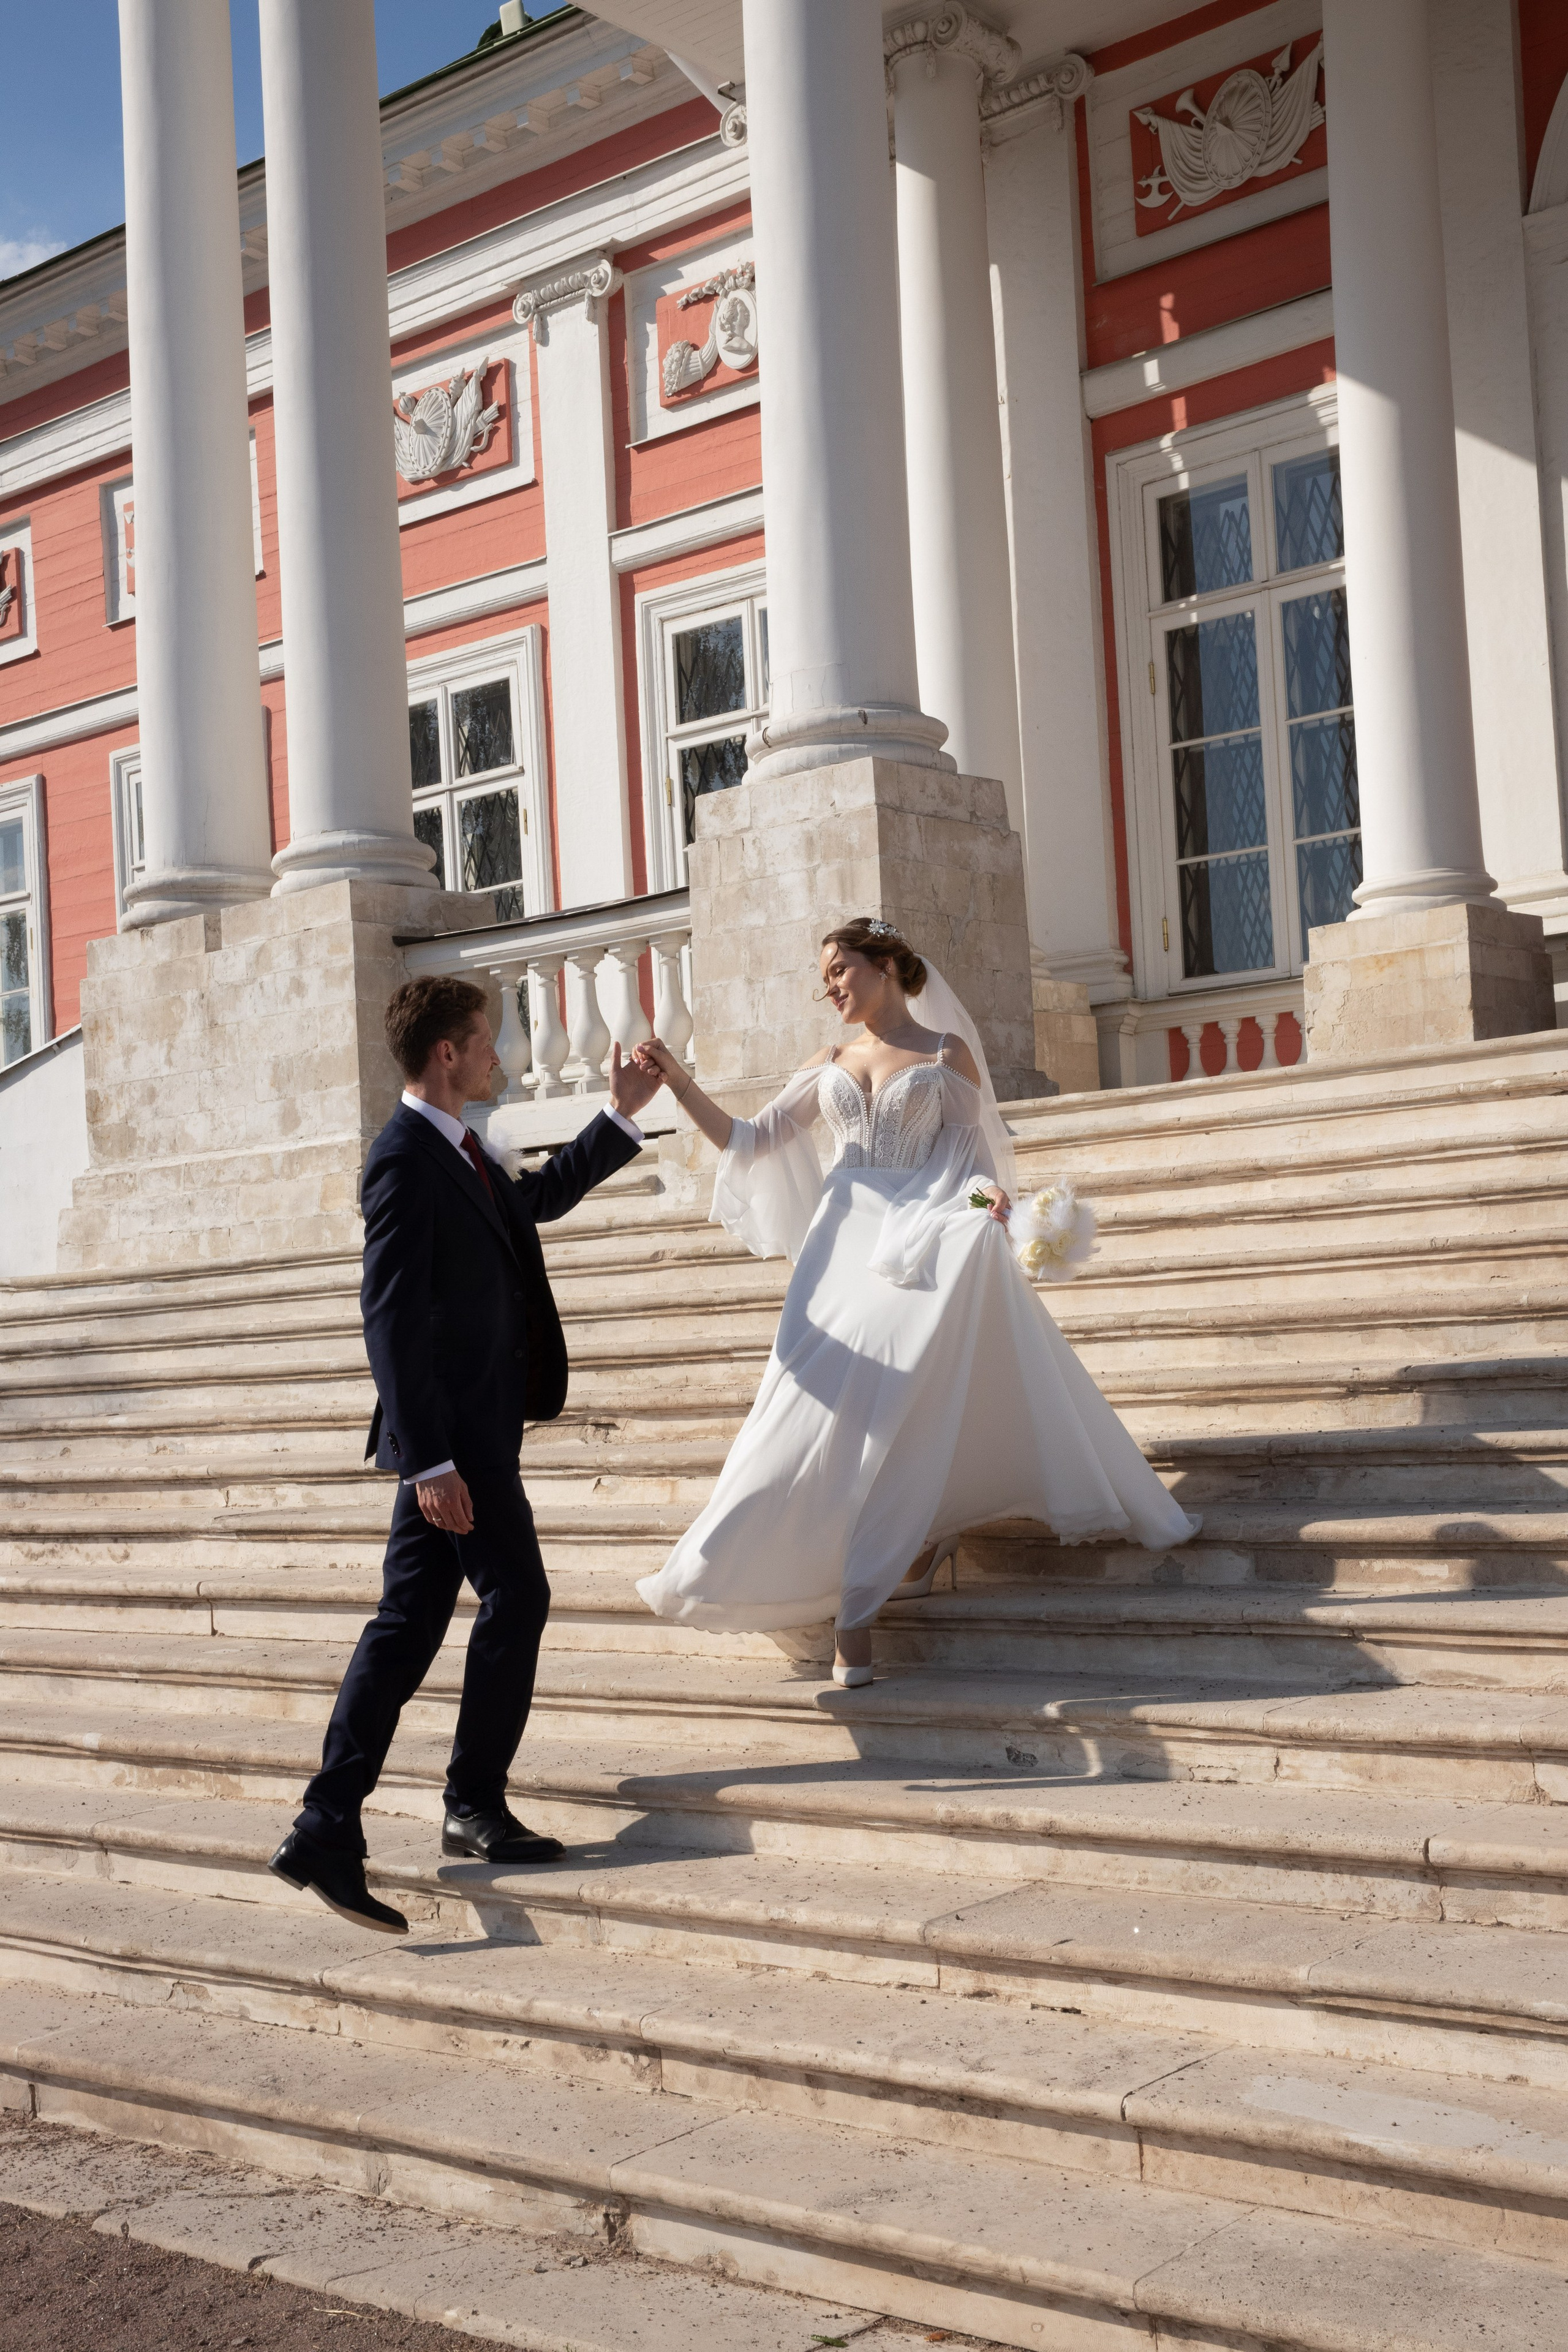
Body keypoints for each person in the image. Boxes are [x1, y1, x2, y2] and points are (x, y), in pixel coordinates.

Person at [633, 917, 1199, 1683]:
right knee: (797, 1420)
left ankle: (857, 1614)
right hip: (838, 1252)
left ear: (888, 965)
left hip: (917, 1240)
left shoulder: (944, 1053)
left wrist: (992, 1202)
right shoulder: (828, 1060)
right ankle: (758, 1567)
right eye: (823, 976)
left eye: (840, 969)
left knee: (886, 1414)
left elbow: (972, 1162)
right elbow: (746, 1140)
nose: (829, 985)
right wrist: (673, 1076)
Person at [269, 974, 662, 1934]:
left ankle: (333, 1823)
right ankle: (467, 1805)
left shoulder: (461, 1152)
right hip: (453, 1444)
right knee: (511, 1598)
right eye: (485, 1041)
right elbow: (390, 1318)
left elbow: (537, 1203)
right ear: (447, 1053)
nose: (496, 1054)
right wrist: (429, 1461)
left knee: (407, 1624)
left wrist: (618, 1117)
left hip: (473, 1434)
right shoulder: (404, 1159)